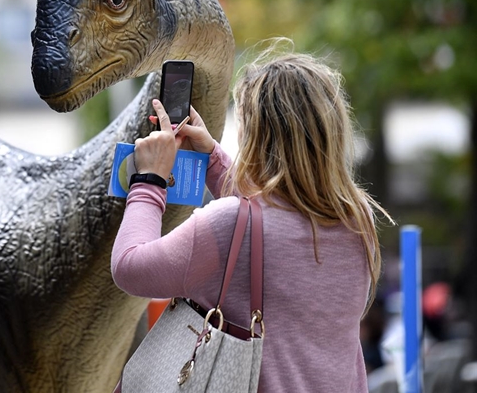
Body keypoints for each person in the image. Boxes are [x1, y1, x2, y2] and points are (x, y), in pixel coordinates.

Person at [111, 41, 393, 392]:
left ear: (257, 135)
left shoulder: (229, 226)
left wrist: (148, 179)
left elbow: (129, 268)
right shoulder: (357, 221)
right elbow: (269, 221)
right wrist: (213, 157)